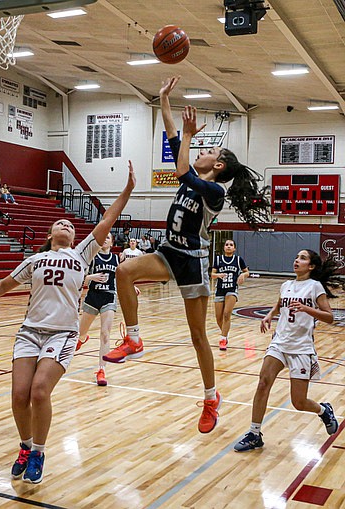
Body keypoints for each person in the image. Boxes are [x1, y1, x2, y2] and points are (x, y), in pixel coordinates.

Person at [104, 76, 270, 435]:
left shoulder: (212, 191)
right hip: (168, 251)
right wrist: (163, 98)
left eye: (209, 151)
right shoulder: (193, 176)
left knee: (198, 336)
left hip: (193, 260)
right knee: (124, 271)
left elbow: (181, 166)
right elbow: (172, 136)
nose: (201, 151)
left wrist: (190, 136)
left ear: (220, 165)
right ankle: (133, 338)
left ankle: (211, 397)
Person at [0, 162, 136, 484]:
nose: (66, 225)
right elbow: (3, 285)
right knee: (18, 395)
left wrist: (127, 190)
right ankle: (25, 447)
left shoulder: (82, 253)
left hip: (62, 333)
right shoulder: (34, 259)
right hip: (30, 332)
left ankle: (39, 451)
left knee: (40, 392)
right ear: (49, 234)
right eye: (60, 222)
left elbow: (108, 217)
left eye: (70, 224)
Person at [234, 250, 339, 452]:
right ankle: (254, 434)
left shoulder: (315, 287)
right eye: (296, 257)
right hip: (280, 343)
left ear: (311, 266)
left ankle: (323, 410)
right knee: (263, 382)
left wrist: (307, 309)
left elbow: (329, 317)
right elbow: (280, 304)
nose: (296, 260)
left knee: (298, 402)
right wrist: (269, 316)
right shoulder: (286, 285)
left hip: (301, 348)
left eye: (302, 258)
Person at [75, 233, 120, 387]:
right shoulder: (92, 257)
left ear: (112, 243)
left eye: (108, 237)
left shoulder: (116, 259)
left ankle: (101, 370)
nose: (105, 239)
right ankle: (82, 339)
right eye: (103, 237)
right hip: (92, 297)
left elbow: (120, 278)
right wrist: (91, 277)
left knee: (105, 334)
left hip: (109, 297)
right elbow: (79, 277)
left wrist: (131, 287)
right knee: (81, 332)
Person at [211, 239, 249, 351]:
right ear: (224, 247)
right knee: (218, 318)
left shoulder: (238, 260)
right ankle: (225, 334)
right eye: (227, 245)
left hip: (232, 289)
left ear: (234, 248)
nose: (228, 246)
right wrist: (218, 275)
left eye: (231, 245)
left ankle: (222, 340)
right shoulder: (218, 259)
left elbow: (247, 271)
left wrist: (243, 275)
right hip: (220, 289)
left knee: (226, 314)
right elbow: (212, 274)